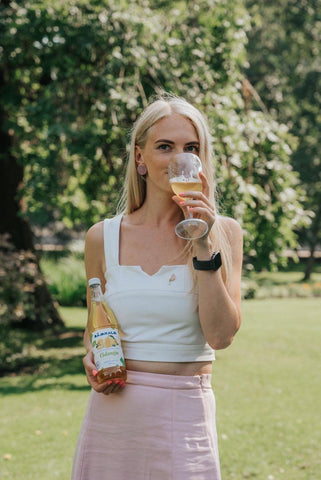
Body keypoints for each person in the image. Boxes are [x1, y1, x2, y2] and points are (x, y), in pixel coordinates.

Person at [71, 94, 243, 480]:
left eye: (191, 148)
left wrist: (202, 241)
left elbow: (221, 336)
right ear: (140, 158)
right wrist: (91, 359)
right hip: (113, 414)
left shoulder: (225, 233)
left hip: (184, 418)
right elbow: (95, 329)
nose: (178, 158)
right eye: (164, 146)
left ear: (202, 161)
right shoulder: (102, 237)